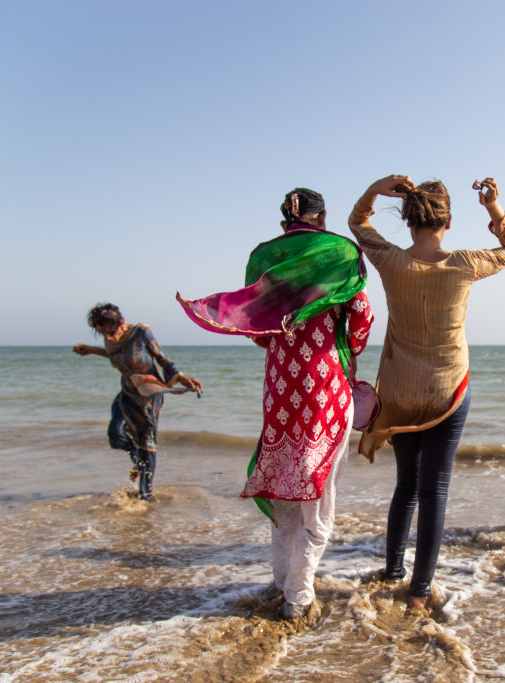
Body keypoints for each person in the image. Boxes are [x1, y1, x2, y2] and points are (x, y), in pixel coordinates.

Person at [177, 188, 373, 620]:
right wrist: (344, 341)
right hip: (326, 386)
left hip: (281, 386)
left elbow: (256, 328)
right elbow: (360, 320)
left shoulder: (262, 258)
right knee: (318, 492)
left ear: (286, 220)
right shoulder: (340, 251)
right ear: (322, 219)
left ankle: (282, 583)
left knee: (287, 489)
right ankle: (299, 600)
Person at [348, 174, 505, 610]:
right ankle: (420, 593)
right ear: (448, 221)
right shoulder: (464, 263)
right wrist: (494, 208)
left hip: (401, 392)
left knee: (405, 485)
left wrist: (376, 188)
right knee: (435, 491)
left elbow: (356, 221)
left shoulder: (391, 261)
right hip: (449, 390)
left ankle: (392, 570)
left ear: (408, 221)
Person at [73, 304, 202, 500]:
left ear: (121, 323)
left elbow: (161, 358)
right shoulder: (110, 340)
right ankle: (137, 460)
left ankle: (146, 495)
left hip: (148, 396)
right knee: (115, 435)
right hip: (127, 393)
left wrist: (182, 378)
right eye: (102, 333)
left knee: (147, 443)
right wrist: (91, 350)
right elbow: (114, 353)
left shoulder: (141, 332)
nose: (108, 337)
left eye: (110, 331)